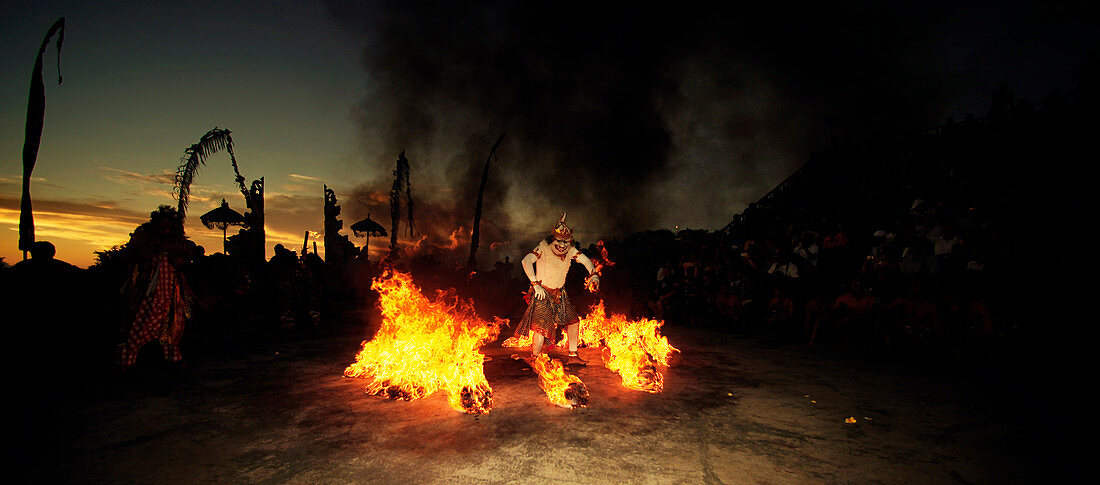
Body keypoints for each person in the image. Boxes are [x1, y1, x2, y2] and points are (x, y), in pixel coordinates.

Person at [513, 212, 600, 365]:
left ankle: (573, 356)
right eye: (559, 241)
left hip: (560, 294)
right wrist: (535, 284)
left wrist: (593, 274)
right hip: (542, 293)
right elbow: (526, 261)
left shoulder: (571, 250)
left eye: (566, 241)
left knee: (573, 321)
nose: (563, 245)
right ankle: (535, 359)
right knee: (541, 327)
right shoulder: (543, 247)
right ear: (552, 239)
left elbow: (586, 260)